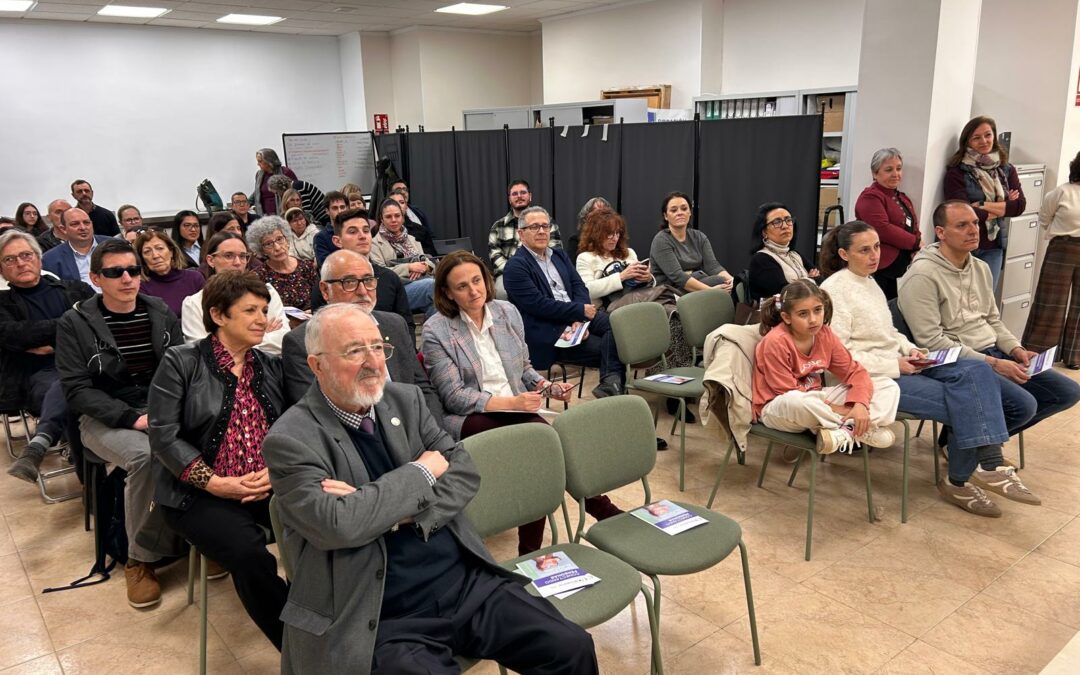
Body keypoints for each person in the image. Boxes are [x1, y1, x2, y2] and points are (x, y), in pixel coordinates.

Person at [262, 302, 599, 674]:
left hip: (464, 582)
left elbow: (464, 473)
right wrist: (421, 472)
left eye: (378, 347)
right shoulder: (290, 439)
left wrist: (380, 510)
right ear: (317, 365)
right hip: (380, 611)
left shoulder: (404, 400)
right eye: (355, 351)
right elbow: (338, 526)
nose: (373, 362)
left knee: (571, 647)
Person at [820, 221, 1029, 516]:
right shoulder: (834, 291)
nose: (874, 255)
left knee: (977, 370)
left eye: (876, 247)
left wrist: (910, 349)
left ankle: (981, 469)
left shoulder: (869, 281)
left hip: (901, 364)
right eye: (864, 250)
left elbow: (888, 333)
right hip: (869, 379)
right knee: (968, 401)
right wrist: (894, 364)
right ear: (844, 254)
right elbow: (838, 358)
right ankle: (970, 476)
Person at [424, 251, 622, 555]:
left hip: (517, 411)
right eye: (462, 286)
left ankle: (531, 552)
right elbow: (455, 397)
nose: (474, 291)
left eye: (477, 280)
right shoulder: (436, 330)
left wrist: (547, 387)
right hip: (470, 417)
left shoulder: (506, 312)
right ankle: (600, 512)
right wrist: (512, 402)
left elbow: (524, 369)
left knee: (538, 452)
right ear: (448, 293)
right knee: (542, 440)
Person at [148, 271, 289, 650]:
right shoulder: (182, 362)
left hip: (265, 484)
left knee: (324, 525)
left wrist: (274, 471)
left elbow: (292, 428)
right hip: (197, 493)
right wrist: (214, 483)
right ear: (218, 315)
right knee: (249, 555)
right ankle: (300, 650)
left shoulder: (269, 365)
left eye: (264, 310)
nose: (262, 319)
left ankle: (324, 617)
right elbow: (163, 436)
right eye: (250, 310)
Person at [56, 239, 184, 607]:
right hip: (103, 416)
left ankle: (202, 538)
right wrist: (132, 418)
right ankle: (139, 558)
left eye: (133, 270)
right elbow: (77, 390)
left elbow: (181, 367)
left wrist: (172, 410)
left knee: (210, 437)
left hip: (158, 407)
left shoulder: (159, 311)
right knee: (147, 457)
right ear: (96, 278)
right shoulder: (75, 323)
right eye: (115, 272)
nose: (127, 278)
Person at [898, 200, 1080, 442]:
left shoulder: (980, 267)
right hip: (957, 360)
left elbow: (992, 320)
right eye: (962, 225)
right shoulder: (922, 276)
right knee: (1022, 406)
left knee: (1066, 392)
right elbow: (931, 342)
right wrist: (993, 363)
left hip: (992, 352)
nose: (973, 230)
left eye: (975, 223)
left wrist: (1015, 349)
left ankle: (966, 439)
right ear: (940, 233)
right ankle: (968, 446)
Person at [281, 250, 445, 429]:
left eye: (368, 280)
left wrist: (432, 432)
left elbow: (423, 388)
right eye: (349, 282)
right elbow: (319, 416)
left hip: (416, 429)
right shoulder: (300, 342)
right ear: (325, 290)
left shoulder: (394, 324)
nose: (362, 291)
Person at [752, 279, 899, 454]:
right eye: (803, 314)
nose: (813, 320)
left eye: (817, 310)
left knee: (887, 385)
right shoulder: (775, 342)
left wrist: (860, 405)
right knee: (796, 400)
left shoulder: (825, 334)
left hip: (819, 401)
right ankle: (855, 427)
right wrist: (842, 409)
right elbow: (785, 391)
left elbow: (855, 372)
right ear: (787, 317)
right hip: (779, 407)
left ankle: (844, 432)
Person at [0, 231, 95, 481]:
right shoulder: (2, 303)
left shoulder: (77, 289)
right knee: (69, 387)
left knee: (76, 383)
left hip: (89, 364)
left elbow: (96, 323)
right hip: (40, 375)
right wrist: (70, 329)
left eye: (26, 255)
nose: (20, 263)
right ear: (1, 271)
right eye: (10, 259)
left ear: (39, 259)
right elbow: (14, 334)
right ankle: (92, 483)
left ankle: (41, 443)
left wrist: (48, 340)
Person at [503, 206, 626, 399]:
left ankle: (611, 385)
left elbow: (579, 286)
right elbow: (539, 305)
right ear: (521, 234)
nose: (542, 231)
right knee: (615, 347)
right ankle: (613, 388)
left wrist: (579, 319)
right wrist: (578, 312)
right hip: (551, 329)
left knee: (621, 328)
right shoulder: (515, 267)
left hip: (578, 317)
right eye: (534, 227)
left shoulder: (559, 255)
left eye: (545, 226)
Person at [944, 116, 1026, 292]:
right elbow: (962, 212)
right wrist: (1004, 205)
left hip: (994, 246)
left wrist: (981, 205)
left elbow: (1019, 206)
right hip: (962, 247)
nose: (984, 141)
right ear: (967, 141)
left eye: (988, 135)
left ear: (994, 136)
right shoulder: (957, 172)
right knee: (959, 300)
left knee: (986, 300)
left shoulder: (1006, 169)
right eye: (976, 137)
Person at [182, 232, 290, 354]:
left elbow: (283, 340)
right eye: (229, 256)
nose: (238, 262)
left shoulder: (267, 292)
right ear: (211, 260)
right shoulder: (194, 303)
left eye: (243, 256)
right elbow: (202, 351)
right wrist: (260, 336)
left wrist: (229, 342)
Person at [313, 207, 415, 333]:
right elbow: (319, 330)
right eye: (352, 232)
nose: (362, 236)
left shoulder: (389, 278)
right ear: (337, 241)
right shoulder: (328, 282)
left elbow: (407, 326)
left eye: (366, 231)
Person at [1023, 150, 1080, 370]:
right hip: (1062, 248)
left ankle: (1074, 357)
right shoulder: (1062, 192)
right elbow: (1045, 218)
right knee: (1050, 303)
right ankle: (1039, 354)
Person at [853, 148, 921, 299]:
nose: (896, 174)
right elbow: (882, 229)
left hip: (904, 265)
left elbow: (914, 226)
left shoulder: (902, 197)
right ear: (875, 173)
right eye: (889, 170)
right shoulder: (870, 197)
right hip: (881, 268)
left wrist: (917, 248)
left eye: (899, 168)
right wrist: (915, 243)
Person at [489, 179, 562, 298]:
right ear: (509, 199)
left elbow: (555, 249)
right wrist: (515, 270)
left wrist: (536, 270)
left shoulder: (547, 222)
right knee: (502, 293)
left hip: (542, 269)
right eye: (514, 194)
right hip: (508, 272)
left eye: (523, 192)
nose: (519, 196)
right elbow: (495, 254)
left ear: (530, 196)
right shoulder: (498, 226)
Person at [650, 191, 733, 291]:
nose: (680, 213)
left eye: (684, 209)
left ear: (689, 212)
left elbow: (713, 267)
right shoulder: (661, 240)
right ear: (665, 216)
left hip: (697, 282)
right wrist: (712, 291)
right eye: (674, 210)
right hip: (671, 289)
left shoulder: (699, 237)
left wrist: (733, 281)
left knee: (731, 284)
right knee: (719, 282)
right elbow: (678, 276)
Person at [370, 198, 435, 315]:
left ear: (403, 217)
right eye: (388, 217)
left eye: (397, 216)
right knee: (433, 286)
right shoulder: (374, 244)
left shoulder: (412, 239)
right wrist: (409, 267)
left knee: (441, 293)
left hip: (422, 281)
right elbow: (381, 275)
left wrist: (425, 267)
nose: (394, 220)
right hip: (397, 290)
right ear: (381, 219)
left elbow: (430, 264)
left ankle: (432, 325)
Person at [747, 201, 819, 301]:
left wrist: (802, 283)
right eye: (777, 222)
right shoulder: (761, 259)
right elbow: (786, 294)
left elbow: (821, 280)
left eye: (788, 220)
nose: (785, 226)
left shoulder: (795, 254)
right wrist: (810, 280)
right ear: (764, 232)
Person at [248, 217, 318, 310]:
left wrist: (312, 311)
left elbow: (320, 299)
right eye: (268, 244)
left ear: (287, 240)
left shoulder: (307, 267)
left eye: (279, 239)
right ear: (262, 250)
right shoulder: (258, 276)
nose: (277, 247)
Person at [134, 229, 204, 316]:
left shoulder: (195, 278)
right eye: (147, 252)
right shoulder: (141, 286)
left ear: (171, 251)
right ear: (142, 259)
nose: (155, 255)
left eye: (160, 248)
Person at [41, 207, 110, 291]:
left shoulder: (114, 245)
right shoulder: (50, 260)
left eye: (86, 223)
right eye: (75, 224)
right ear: (63, 229)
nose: (83, 227)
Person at [388, 180, 436, 255]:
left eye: (405, 189)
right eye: (398, 189)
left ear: (406, 205)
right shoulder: (377, 232)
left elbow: (432, 255)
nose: (403, 192)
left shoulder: (418, 216)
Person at [252, 148, 297, 216]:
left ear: (269, 161)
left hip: (284, 212)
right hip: (265, 215)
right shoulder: (259, 175)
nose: (258, 164)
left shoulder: (285, 172)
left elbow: (295, 192)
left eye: (260, 161)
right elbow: (256, 193)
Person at [567, 196, 611, 261]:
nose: (600, 215)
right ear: (586, 216)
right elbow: (571, 265)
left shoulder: (614, 238)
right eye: (595, 211)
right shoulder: (575, 240)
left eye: (603, 211)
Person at [313, 191, 350, 264]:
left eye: (342, 207)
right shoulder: (320, 237)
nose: (340, 211)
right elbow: (325, 264)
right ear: (327, 211)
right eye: (335, 208)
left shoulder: (354, 231)